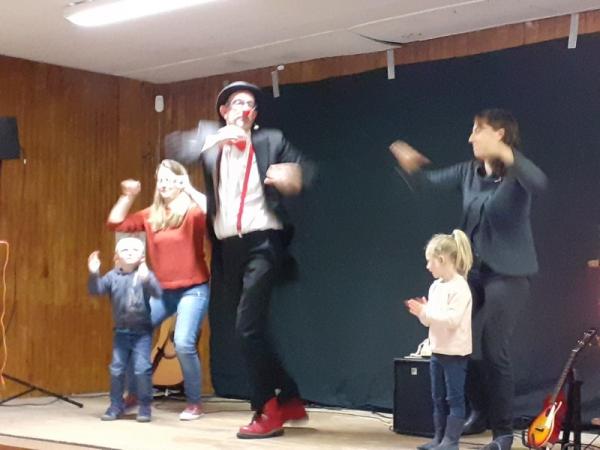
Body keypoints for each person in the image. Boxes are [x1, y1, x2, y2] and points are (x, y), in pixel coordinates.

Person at [390, 109, 548, 450]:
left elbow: (539, 182)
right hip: (473, 272)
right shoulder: (469, 172)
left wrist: (509, 156)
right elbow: (430, 182)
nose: (470, 138)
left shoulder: (517, 174)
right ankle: (478, 411)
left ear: (500, 134)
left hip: (510, 274)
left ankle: (503, 432)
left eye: (478, 131)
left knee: (492, 348)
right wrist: (412, 166)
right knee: (461, 343)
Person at [196, 81, 307, 439]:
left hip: (263, 242)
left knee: (247, 327)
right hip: (229, 249)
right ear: (224, 112)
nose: (244, 107)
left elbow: (305, 170)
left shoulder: (271, 141)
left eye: (250, 104)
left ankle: (266, 410)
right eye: (236, 102)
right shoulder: (210, 152)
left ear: (254, 116)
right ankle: (289, 397)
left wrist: (293, 177)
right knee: (250, 330)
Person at [107, 159, 210, 421]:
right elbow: (115, 223)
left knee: (184, 343)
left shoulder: (193, 212)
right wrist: (127, 196)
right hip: (161, 291)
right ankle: (133, 395)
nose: (163, 184)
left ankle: (194, 402)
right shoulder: (151, 215)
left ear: (179, 181)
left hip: (193, 289)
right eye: (160, 179)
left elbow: (213, 212)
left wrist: (189, 188)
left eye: (169, 179)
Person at [406, 229, 473, 450]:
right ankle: (438, 437)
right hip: (437, 351)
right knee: (437, 397)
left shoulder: (460, 287)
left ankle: (451, 441)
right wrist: (423, 313)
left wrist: (426, 312)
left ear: (442, 259)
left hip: (455, 354)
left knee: (454, 399)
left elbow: (452, 320)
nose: (427, 266)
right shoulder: (436, 287)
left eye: (430, 261)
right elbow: (430, 322)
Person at [88, 237, 162, 422]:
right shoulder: (112, 276)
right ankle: (115, 405)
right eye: (125, 249)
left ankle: (144, 406)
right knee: (116, 369)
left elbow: (158, 292)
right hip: (121, 333)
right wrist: (94, 272)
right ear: (116, 257)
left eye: (134, 250)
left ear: (142, 257)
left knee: (142, 369)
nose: (129, 252)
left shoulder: (145, 275)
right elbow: (96, 290)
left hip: (142, 333)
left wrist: (147, 279)